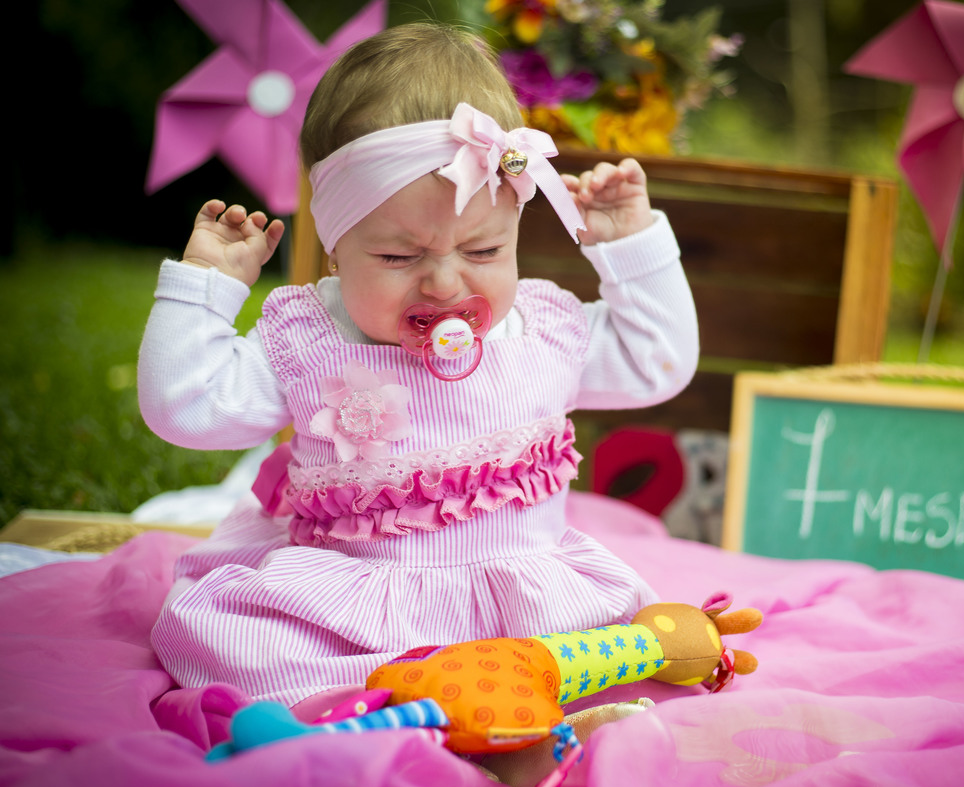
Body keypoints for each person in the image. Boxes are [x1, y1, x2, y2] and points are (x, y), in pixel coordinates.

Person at [139, 22, 698, 707]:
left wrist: (631, 246)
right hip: (351, 617)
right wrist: (206, 286)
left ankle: (513, 717)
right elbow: (184, 407)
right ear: (339, 248)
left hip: (522, 612)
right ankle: (385, 711)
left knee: (610, 652)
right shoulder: (313, 339)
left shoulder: (539, 331)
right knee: (253, 655)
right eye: (400, 258)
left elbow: (657, 363)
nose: (444, 283)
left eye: (485, 251)